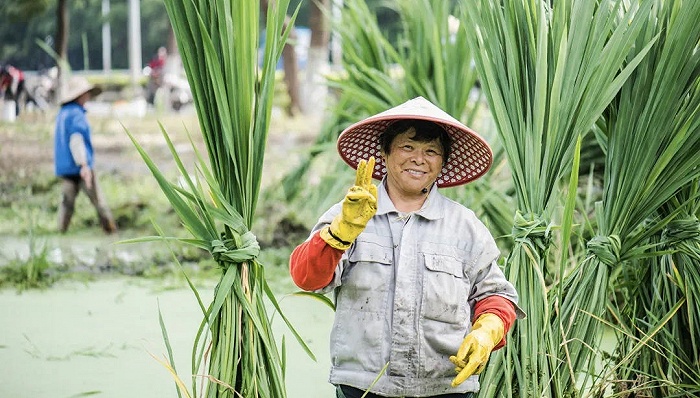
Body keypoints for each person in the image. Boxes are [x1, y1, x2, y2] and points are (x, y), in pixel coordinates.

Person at [290, 97, 524, 398]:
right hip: (363, 387)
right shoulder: (350, 212)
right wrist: (340, 232)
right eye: (407, 147)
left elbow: (495, 294)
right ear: (385, 154)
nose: (419, 159)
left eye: (431, 151)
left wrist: (486, 332)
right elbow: (306, 277)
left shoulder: (464, 226)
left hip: (445, 387)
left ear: (442, 163)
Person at [54, 76, 117, 234]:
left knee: (66, 204)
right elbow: (76, 140)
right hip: (80, 167)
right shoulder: (77, 114)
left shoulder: (63, 114)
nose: (88, 96)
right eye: (86, 94)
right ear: (79, 95)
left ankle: (61, 232)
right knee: (99, 202)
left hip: (66, 169)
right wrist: (84, 165)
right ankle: (110, 231)